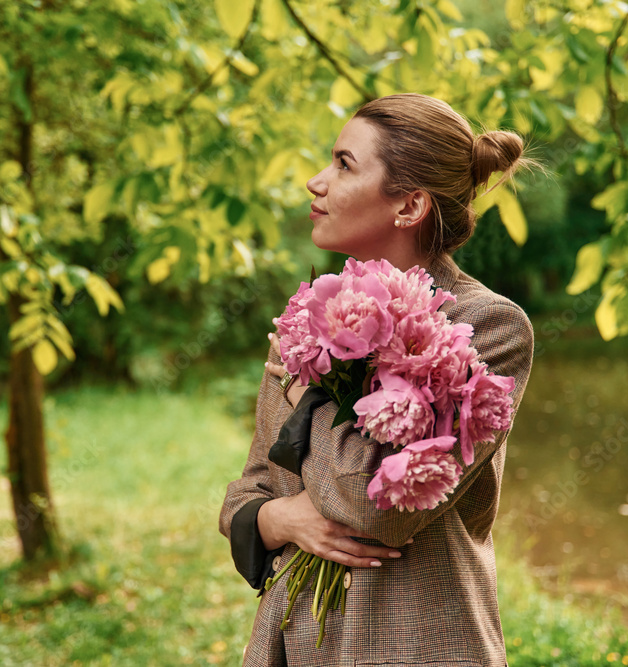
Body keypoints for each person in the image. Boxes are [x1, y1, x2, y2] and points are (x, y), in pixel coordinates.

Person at [219, 93, 535, 666]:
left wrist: (304, 396)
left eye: (344, 165)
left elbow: (378, 514)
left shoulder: (488, 327)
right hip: (290, 647)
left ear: (409, 205)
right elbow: (249, 491)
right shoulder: (305, 317)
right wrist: (279, 518)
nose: (316, 182)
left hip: (418, 645)